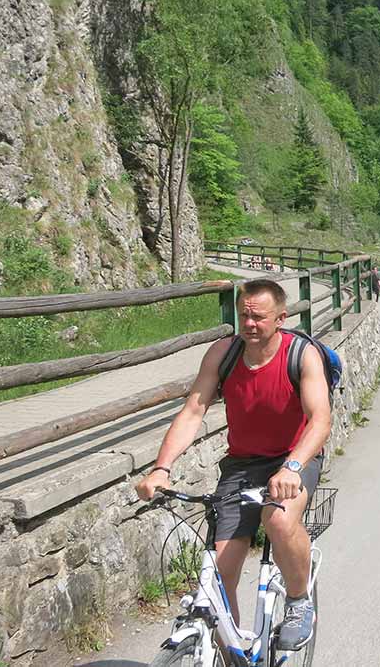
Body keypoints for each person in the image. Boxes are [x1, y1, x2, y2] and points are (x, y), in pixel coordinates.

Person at [135, 279, 329, 650]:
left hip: (293, 457)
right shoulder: (223, 354)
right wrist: (161, 468)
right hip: (241, 464)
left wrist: (291, 467)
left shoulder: (301, 354)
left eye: (259, 317)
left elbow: (319, 420)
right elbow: (193, 410)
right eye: (244, 316)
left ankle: (299, 600)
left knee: (278, 518)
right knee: (219, 578)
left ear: (281, 318)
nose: (250, 324)